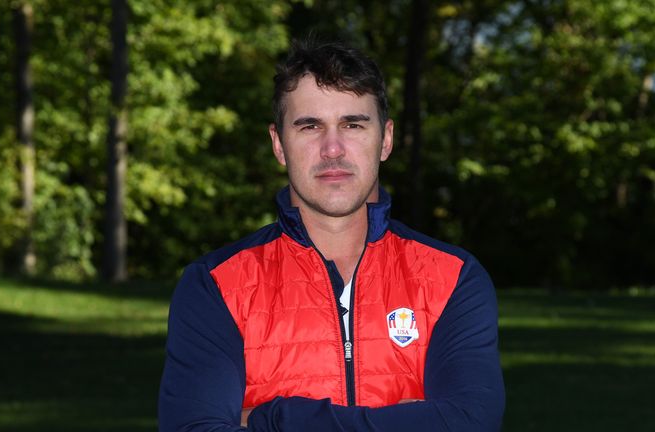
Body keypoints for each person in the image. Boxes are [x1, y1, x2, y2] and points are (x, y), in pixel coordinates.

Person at [158, 39, 505, 431]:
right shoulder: (215, 286)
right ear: (279, 145)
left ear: (386, 139)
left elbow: (470, 422)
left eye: (353, 124)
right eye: (310, 127)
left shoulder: (453, 278)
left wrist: (272, 417)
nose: (333, 148)